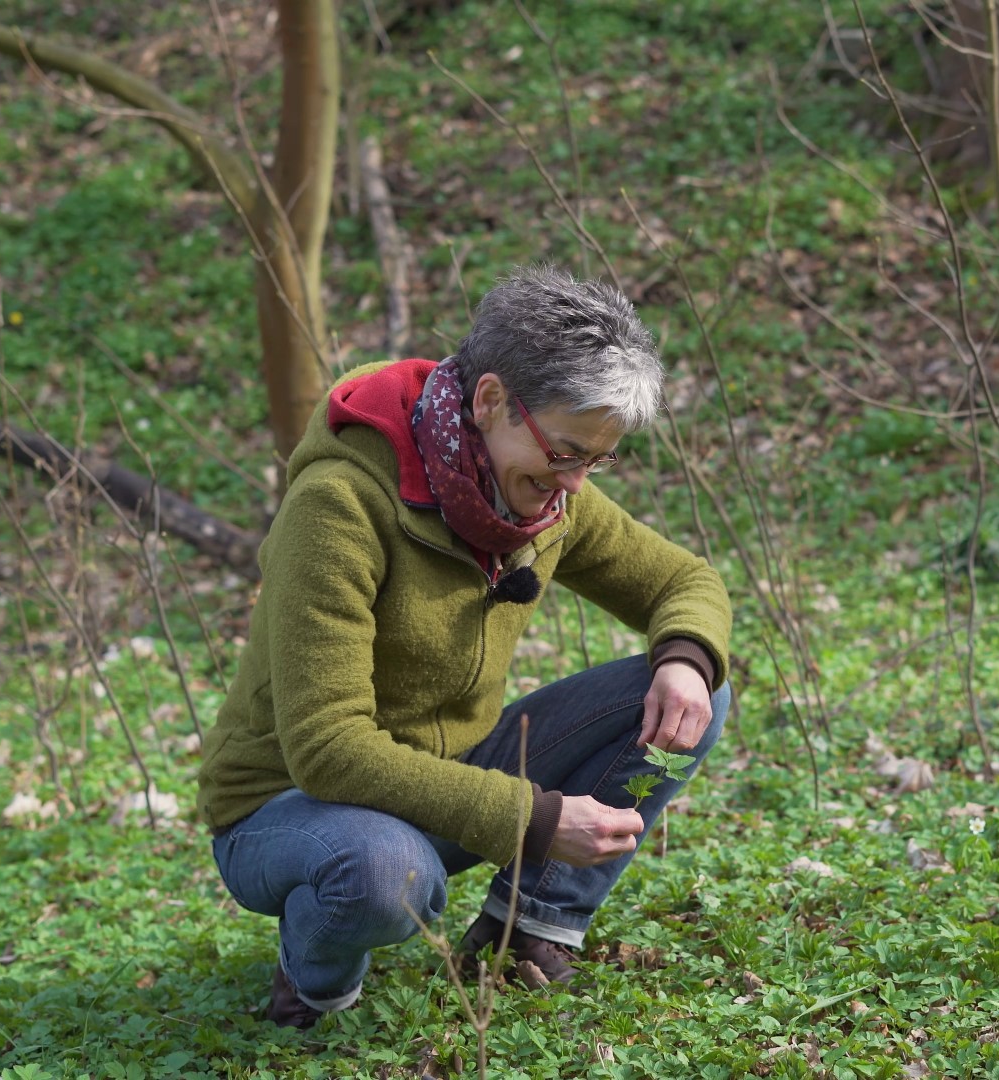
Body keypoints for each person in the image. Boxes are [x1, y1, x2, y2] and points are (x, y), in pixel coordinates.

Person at [196, 264, 733, 1028]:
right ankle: (312, 981)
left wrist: (683, 660)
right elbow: (328, 749)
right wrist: (535, 818)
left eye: (596, 460)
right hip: (289, 809)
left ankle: (532, 926)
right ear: (490, 402)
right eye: (567, 452)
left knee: (699, 689)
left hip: (445, 786)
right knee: (383, 871)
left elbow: (683, 580)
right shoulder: (340, 506)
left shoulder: (540, 492)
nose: (576, 485)